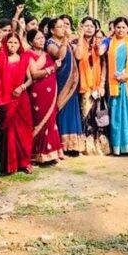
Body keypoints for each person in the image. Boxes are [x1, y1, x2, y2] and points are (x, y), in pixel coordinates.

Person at [0, 33, 33, 174]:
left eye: (15, 43)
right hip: (5, 100)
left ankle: (24, 162)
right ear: (5, 43)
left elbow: (30, 79)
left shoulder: (23, 59)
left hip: (21, 99)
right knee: (8, 132)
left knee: (24, 130)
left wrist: (22, 87)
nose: (12, 45)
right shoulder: (0, 59)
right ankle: (9, 164)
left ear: (19, 44)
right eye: (10, 42)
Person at [47, 17, 85, 153]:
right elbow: (60, 56)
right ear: (52, 30)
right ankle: (61, 145)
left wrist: (80, 37)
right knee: (61, 110)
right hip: (59, 82)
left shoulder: (67, 42)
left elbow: (79, 56)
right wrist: (65, 39)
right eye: (60, 27)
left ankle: (73, 145)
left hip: (71, 83)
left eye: (64, 26)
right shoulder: (50, 43)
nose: (63, 29)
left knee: (71, 110)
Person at [26, 28, 62, 163]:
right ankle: (38, 153)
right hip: (37, 92)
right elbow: (34, 74)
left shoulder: (47, 54)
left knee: (51, 120)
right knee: (40, 119)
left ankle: (51, 153)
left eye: (42, 38)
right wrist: (52, 68)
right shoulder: (28, 54)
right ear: (31, 42)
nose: (42, 40)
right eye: (38, 38)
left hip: (51, 91)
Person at [77, 17, 110, 155]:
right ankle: (87, 146)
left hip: (97, 87)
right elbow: (78, 57)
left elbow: (104, 66)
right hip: (84, 86)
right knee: (86, 115)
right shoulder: (77, 43)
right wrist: (80, 38)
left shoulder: (99, 45)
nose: (89, 28)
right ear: (81, 27)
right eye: (86, 25)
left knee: (98, 116)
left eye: (91, 26)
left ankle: (99, 146)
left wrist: (102, 85)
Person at [107, 18, 128, 155]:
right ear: (113, 28)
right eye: (118, 27)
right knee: (116, 116)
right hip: (113, 84)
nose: (120, 30)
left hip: (127, 84)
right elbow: (101, 54)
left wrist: (127, 75)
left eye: (123, 27)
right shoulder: (109, 43)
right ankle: (117, 147)